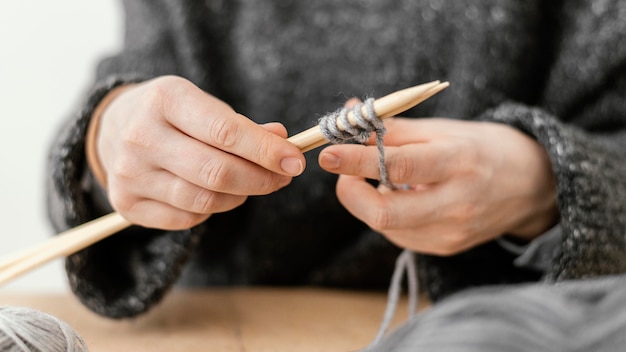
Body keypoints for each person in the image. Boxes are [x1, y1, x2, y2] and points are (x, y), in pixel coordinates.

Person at [47, 0, 625, 330]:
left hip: (518, 335)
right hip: (210, 331)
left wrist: (548, 183)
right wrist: (108, 138)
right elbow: (93, 161)